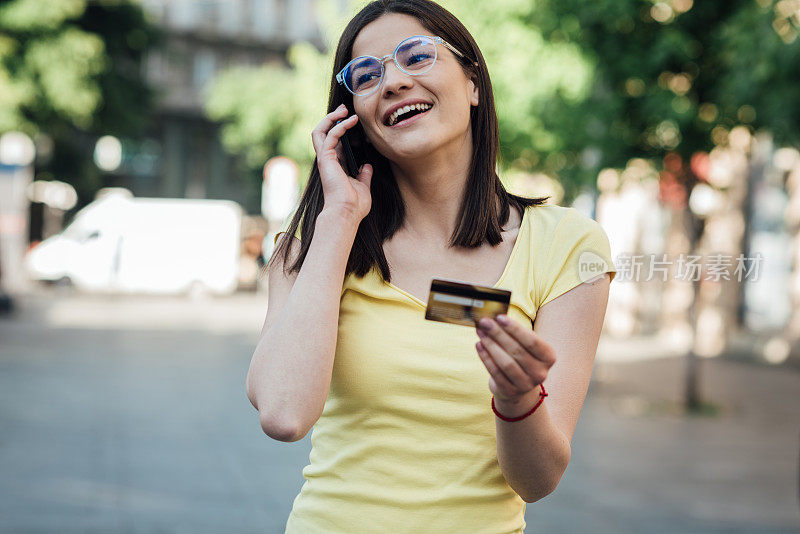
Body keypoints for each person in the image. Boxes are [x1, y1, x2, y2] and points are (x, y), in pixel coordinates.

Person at [245, 1, 617, 532]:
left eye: (416, 56)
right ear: (355, 121)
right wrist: (339, 219)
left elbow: (537, 481)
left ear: (472, 83)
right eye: (366, 75)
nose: (392, 81)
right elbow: (283, 414)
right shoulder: (316, 247)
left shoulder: (568, 246)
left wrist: (516, 398)